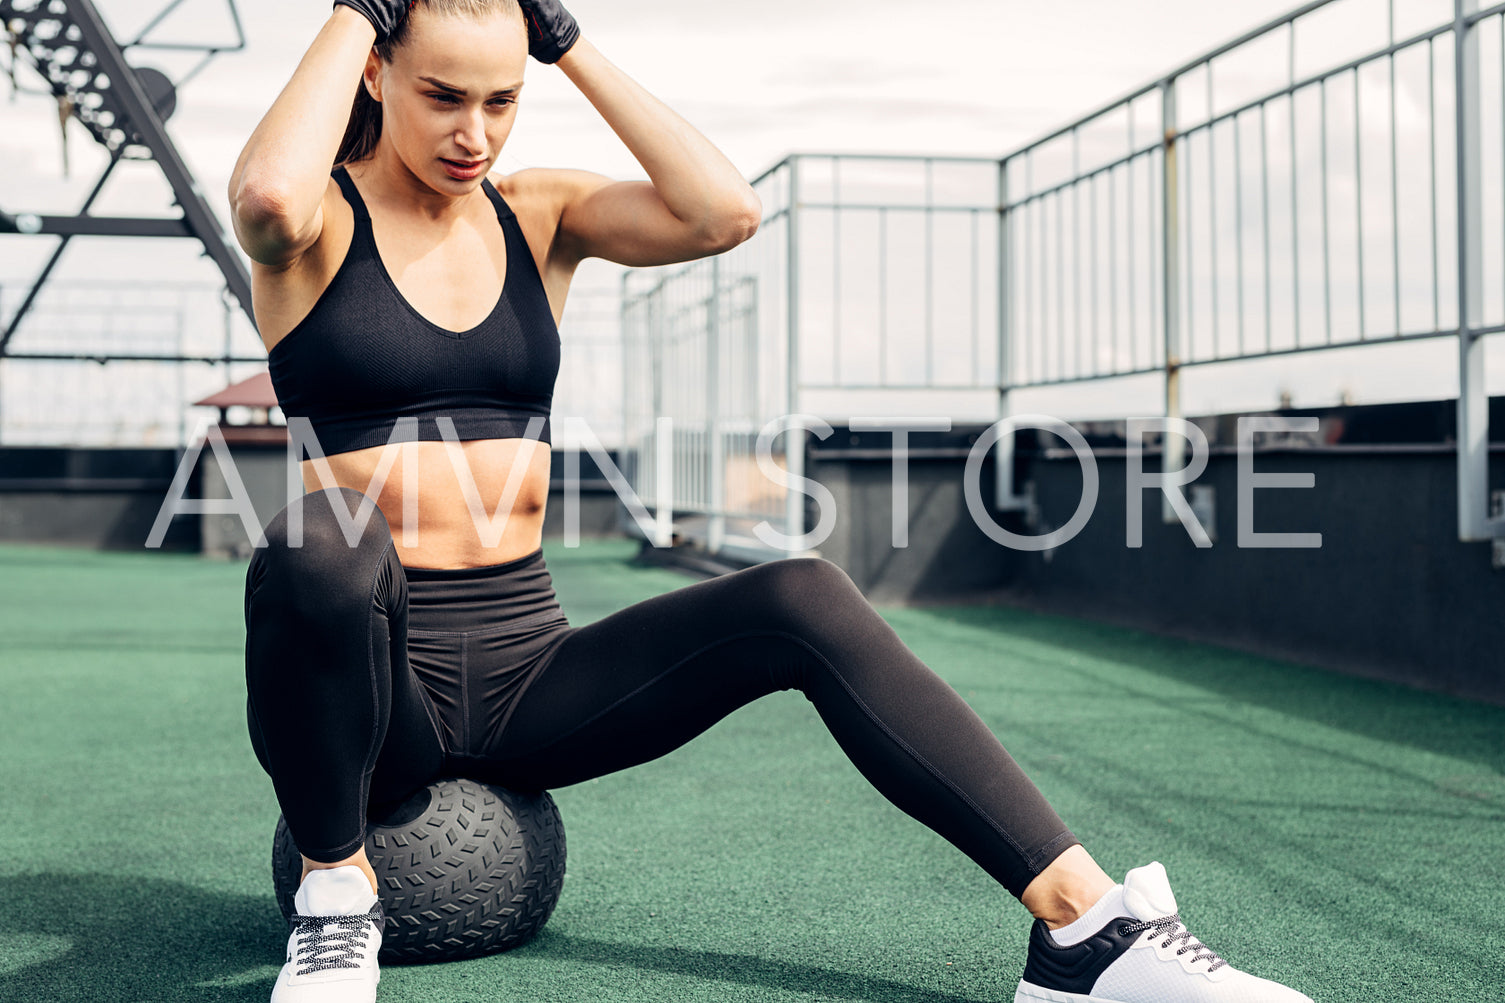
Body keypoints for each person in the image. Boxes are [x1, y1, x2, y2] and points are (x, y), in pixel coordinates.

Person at [227, 2, 1315, 1001]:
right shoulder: (314, 225)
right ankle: (335, 898)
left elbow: (723, 213)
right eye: (443, 96)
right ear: (375, 72)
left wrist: (566, 41)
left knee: (799, 593)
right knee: (319, 544)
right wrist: (353, 7)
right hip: (379, 696)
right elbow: (266, 193)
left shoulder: (536, 215)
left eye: (501, 100)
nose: (475, 131)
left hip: (530, 671)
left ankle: (1083, 932)